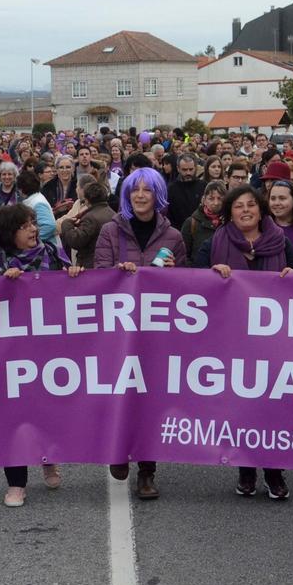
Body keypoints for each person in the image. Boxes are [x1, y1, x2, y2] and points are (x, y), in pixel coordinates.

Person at [195, 184, 293, 500]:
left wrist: (291, 273)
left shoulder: (280, 241)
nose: (245, 210)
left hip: (272, 340)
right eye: (238, 206)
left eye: (251, 205)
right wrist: (212, 272)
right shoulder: (215, 242)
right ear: (230, 213)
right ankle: (245, 469)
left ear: (261, 210)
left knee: (272, 404)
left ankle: (273, 471)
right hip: (229, 339)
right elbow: (191, 277)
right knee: (241, 404)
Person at [0, 204, 82, 507]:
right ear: (8, 233)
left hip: (47, 350)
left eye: (33, 223)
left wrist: (73, 277)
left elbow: (72, 299)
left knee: (47, 406)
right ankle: (16, 483)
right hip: (5, 354)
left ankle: (48, 457)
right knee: (11, 416)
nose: (33, 229)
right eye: (24, 226)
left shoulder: (53, 255)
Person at [94, 167, 186, 500]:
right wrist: (119, 274)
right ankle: (119, 451)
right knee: (120, 393)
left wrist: (176, 274)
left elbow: (187, 287)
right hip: (120, 328)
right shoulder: (110, 230)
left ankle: (147, 471)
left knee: (150, 400)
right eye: (135, 189)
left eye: (148, 189)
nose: (141, 195)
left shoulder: (173, 235)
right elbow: (99, 274)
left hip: (156, 331)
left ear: (157, 194)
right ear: (127, 194)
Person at [59, 179, 115, 269]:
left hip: (90, 265)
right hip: (108, 262)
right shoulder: (112, 213)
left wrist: (66, 223)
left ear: (87, 200)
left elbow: (76, 241)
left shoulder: (90, 218)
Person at [181, 180, 228, 262]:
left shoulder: (230, 222)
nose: (216, 203)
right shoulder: (191, 223)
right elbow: (183, 255)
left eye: (220, 198)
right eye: (211, 199)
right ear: (204, 200)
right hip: (198, 273)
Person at [18, 170, 59, 249]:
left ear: (21, 189)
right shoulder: (34, 199)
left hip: (47, 248)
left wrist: (33, 240)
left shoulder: (38, 203)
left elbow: (49, 226)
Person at [167, 153, 207, 232]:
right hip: (178, 230)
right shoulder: (171, 189)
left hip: (200, 230)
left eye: (191, 169)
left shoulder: (204, 186)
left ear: (195, 168)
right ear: (178, 169)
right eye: (184, 170)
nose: (188, 173)